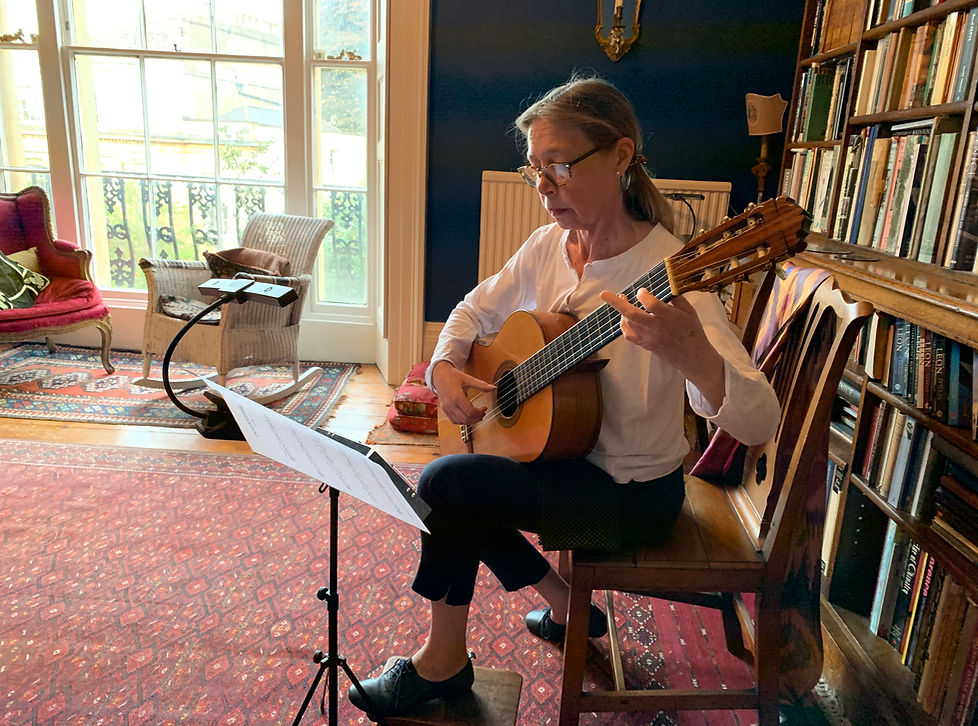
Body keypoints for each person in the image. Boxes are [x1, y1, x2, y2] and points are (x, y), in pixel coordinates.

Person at [348, 74, 780, 719]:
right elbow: (473, 308)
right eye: (534, 171)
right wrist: (443, 364)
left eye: (558, 167)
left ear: (622, 156)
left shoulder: (675, 276)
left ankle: (443, 666)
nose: (544, 189)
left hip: (630, 497)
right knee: (462, 485)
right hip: (561, 465)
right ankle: (563, 602)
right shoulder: (550, 244)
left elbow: (760, 418)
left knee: (446, 486)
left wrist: (692, 356)